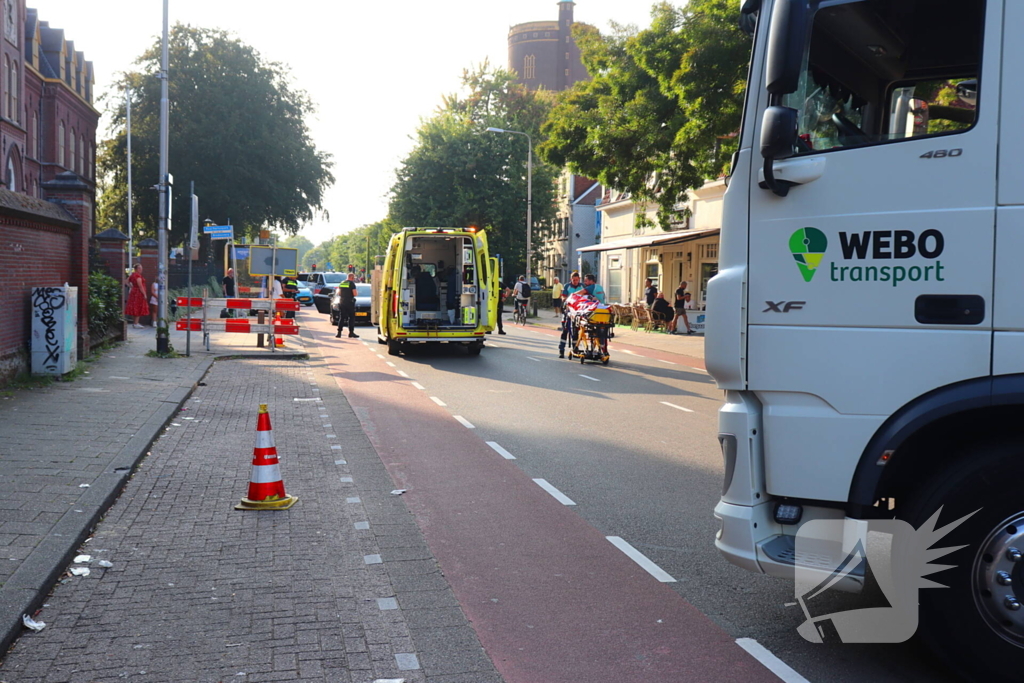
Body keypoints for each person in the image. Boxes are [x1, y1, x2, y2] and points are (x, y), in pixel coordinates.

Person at [558, 271, 587, 358]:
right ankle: (561, 350)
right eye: (574, 280)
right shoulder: (567, 286)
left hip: (578, 311)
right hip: (568, 310)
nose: (575, 282)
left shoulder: (582, 286)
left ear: (579, 279)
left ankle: (575, 349)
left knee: (576, 331)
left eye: (577, 280)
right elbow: (563, 296)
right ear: (571, 279)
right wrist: (566, 300)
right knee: (565, 330)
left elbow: (586, 296)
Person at [335, 272, 359, 338]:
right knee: (351, 317)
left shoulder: (342, 283)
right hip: (349, 302)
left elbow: (339, 293)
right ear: (351, 277)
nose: (353, 279)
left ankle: (339, 333)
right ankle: (351, 333)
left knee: (342, 317)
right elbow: (354, 294)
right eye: (353, 278)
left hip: (342, 302)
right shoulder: (351, 283)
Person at [124, 264, 149, 329]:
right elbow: (140, 286)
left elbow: (126, 282)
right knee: (138, 306)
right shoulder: (138, 276)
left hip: (133, 292)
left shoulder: (132, 275)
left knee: (134, 306)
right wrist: (144, 294)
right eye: (140, 268)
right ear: (136, 269)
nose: (141, 270)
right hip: (138, 293)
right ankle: (136, 323)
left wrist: (131, 287)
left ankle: (135, 322)